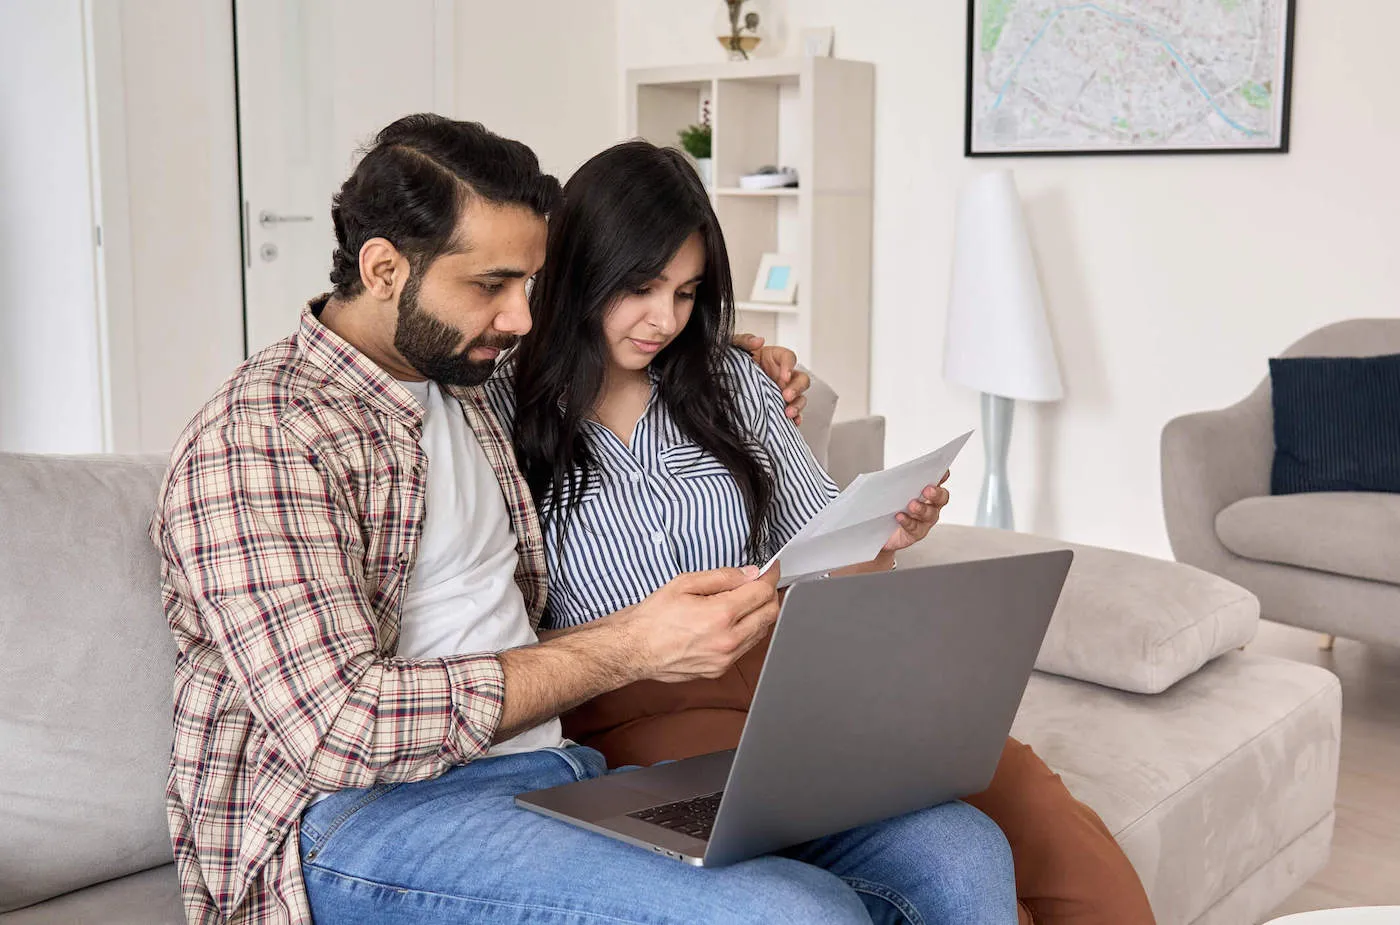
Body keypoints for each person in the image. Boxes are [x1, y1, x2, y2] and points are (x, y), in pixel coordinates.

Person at [150, 113, 1016, 925]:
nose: (523, 316)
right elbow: (342, 728)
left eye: (529, 282)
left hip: (557, 772)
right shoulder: (261, 437)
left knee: (955, 851)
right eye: (493, 284)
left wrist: (736, 356)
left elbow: (618, 355)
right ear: (383, 270)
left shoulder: (470, 381)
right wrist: (632, 644)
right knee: (791, 912)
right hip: (360, 820)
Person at [491, 139, 1158, 925]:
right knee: (933, 838)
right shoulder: (502, 411)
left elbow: (826, 547)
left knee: (1027, 795)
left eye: (686, 290)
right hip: (639, 704)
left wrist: (885, 533)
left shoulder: (732, 380)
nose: (665, 318)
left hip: (793, 667)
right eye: (641, 288)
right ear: (579, 269)